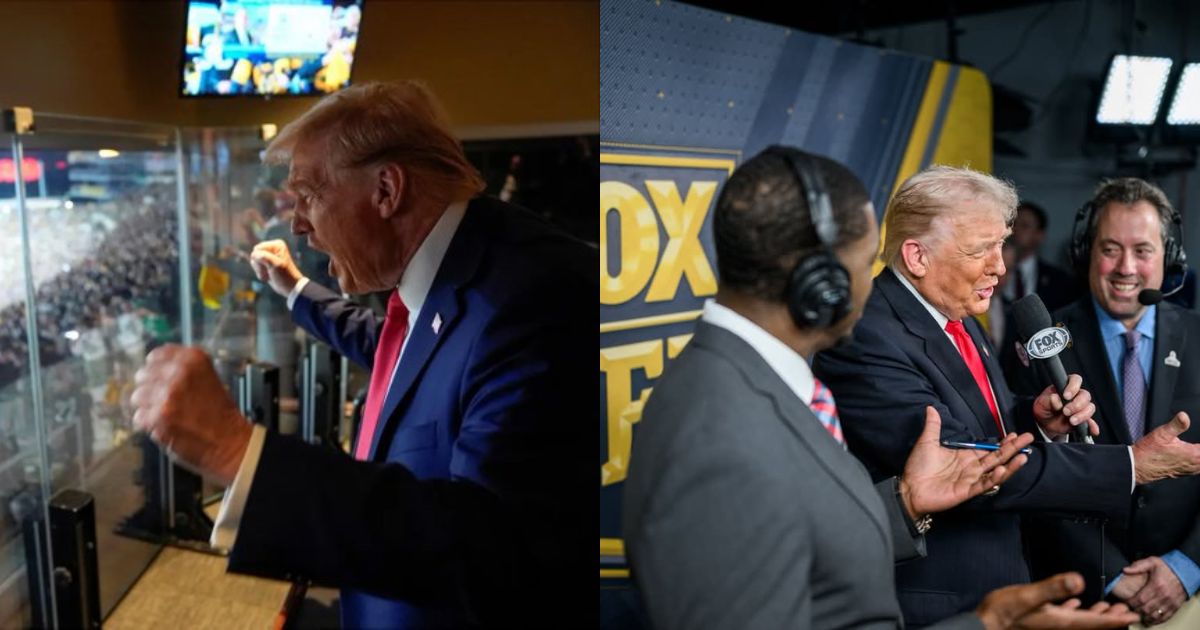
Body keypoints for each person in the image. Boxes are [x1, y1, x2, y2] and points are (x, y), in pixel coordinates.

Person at [130, 81, 593, 628]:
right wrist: (296, 289)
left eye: (308, 196)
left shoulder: (532, 299)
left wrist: (238, 452)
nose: (298, 223)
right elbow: (400, 349)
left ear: (386, 190)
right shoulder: (464, 259)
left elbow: (486, 545)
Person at [622, 147, 1139, 630]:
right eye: (864, 259)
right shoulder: (713, 427)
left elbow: (815, 560)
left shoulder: (754, 385)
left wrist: (908, 504)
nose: (871, 284)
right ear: (819, 284)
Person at [812, 165, 1200, 626]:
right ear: (917, 257)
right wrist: (1132, 463)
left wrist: (1036, 423)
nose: (1001, 265)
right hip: (935, 610)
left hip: (996, 593)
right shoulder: (867, 338)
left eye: (1001, 245)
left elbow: (988, 433)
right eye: (982, 249)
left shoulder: (958, 316)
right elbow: (964, 465)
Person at [1017, 178, 1200, 627]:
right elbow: (1029, 466)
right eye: (1110, 248)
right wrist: (1111, 572)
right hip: (1080, 596)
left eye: (1143, 250)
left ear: (1169, 257)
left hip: (1189, 595)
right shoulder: (1041, 341)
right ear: (1086, 252)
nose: (1126, 267)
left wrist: (1186, 568)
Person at [1006, 200, 1079, 312]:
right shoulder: (995, 272)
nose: (1015, 230)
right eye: (1013, 224)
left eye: (1025, 226)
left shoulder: (1059, 281)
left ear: (1039, 235)